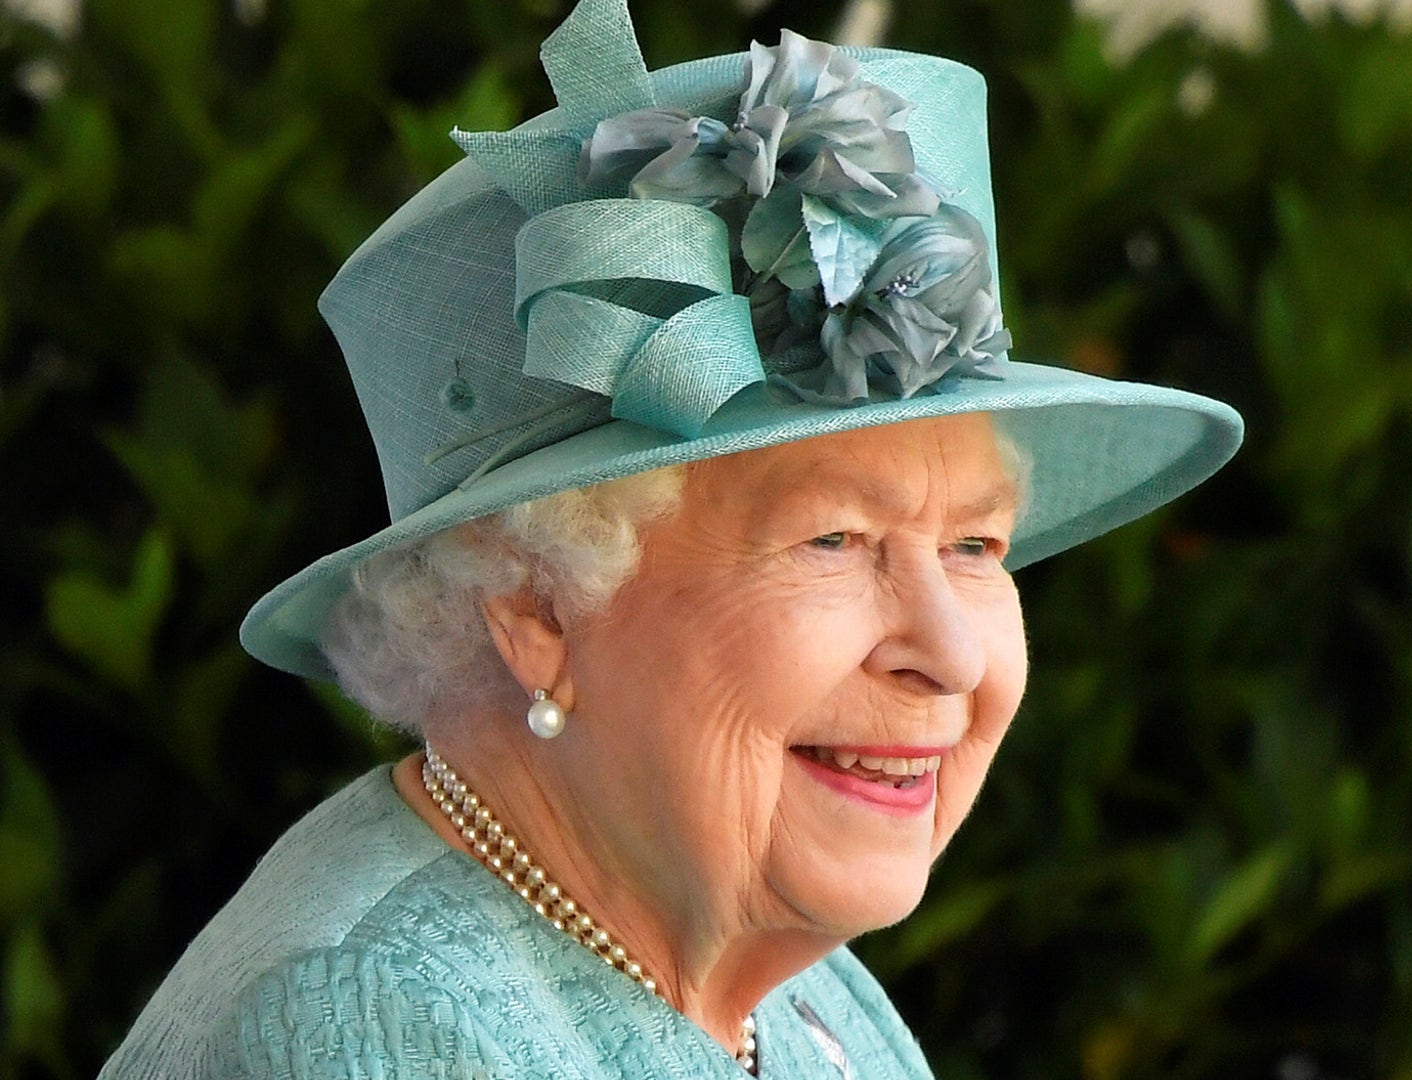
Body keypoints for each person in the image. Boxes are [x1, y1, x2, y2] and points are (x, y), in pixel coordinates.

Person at [99, 1, 1241, 1075]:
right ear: (538, 607)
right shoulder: (369, 1027)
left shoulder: (795, 987)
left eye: (975, 548)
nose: (950, 655)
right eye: (834, 540)